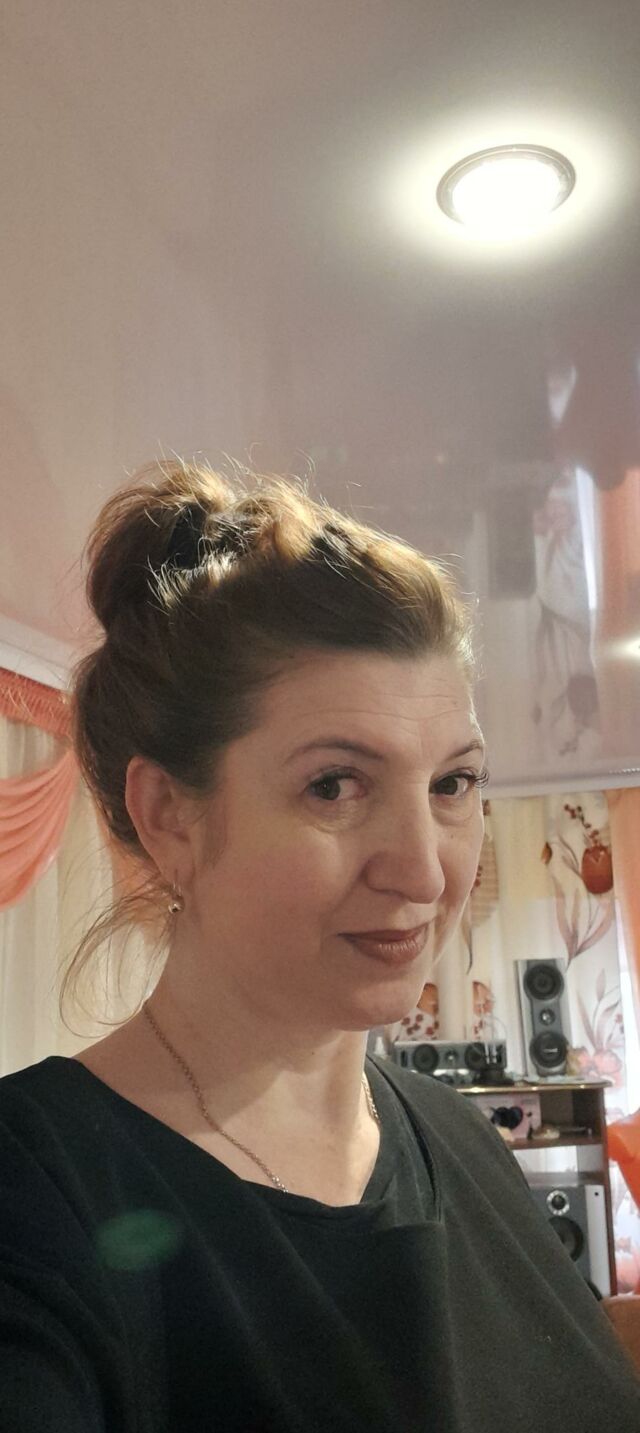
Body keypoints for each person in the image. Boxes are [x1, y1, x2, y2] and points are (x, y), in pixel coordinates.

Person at [0, 458, 638, 1433]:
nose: (424, 872)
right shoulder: (33, 1198)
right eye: (334, 784)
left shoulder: (462, 1138)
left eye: (452, 783)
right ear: (169, 814)